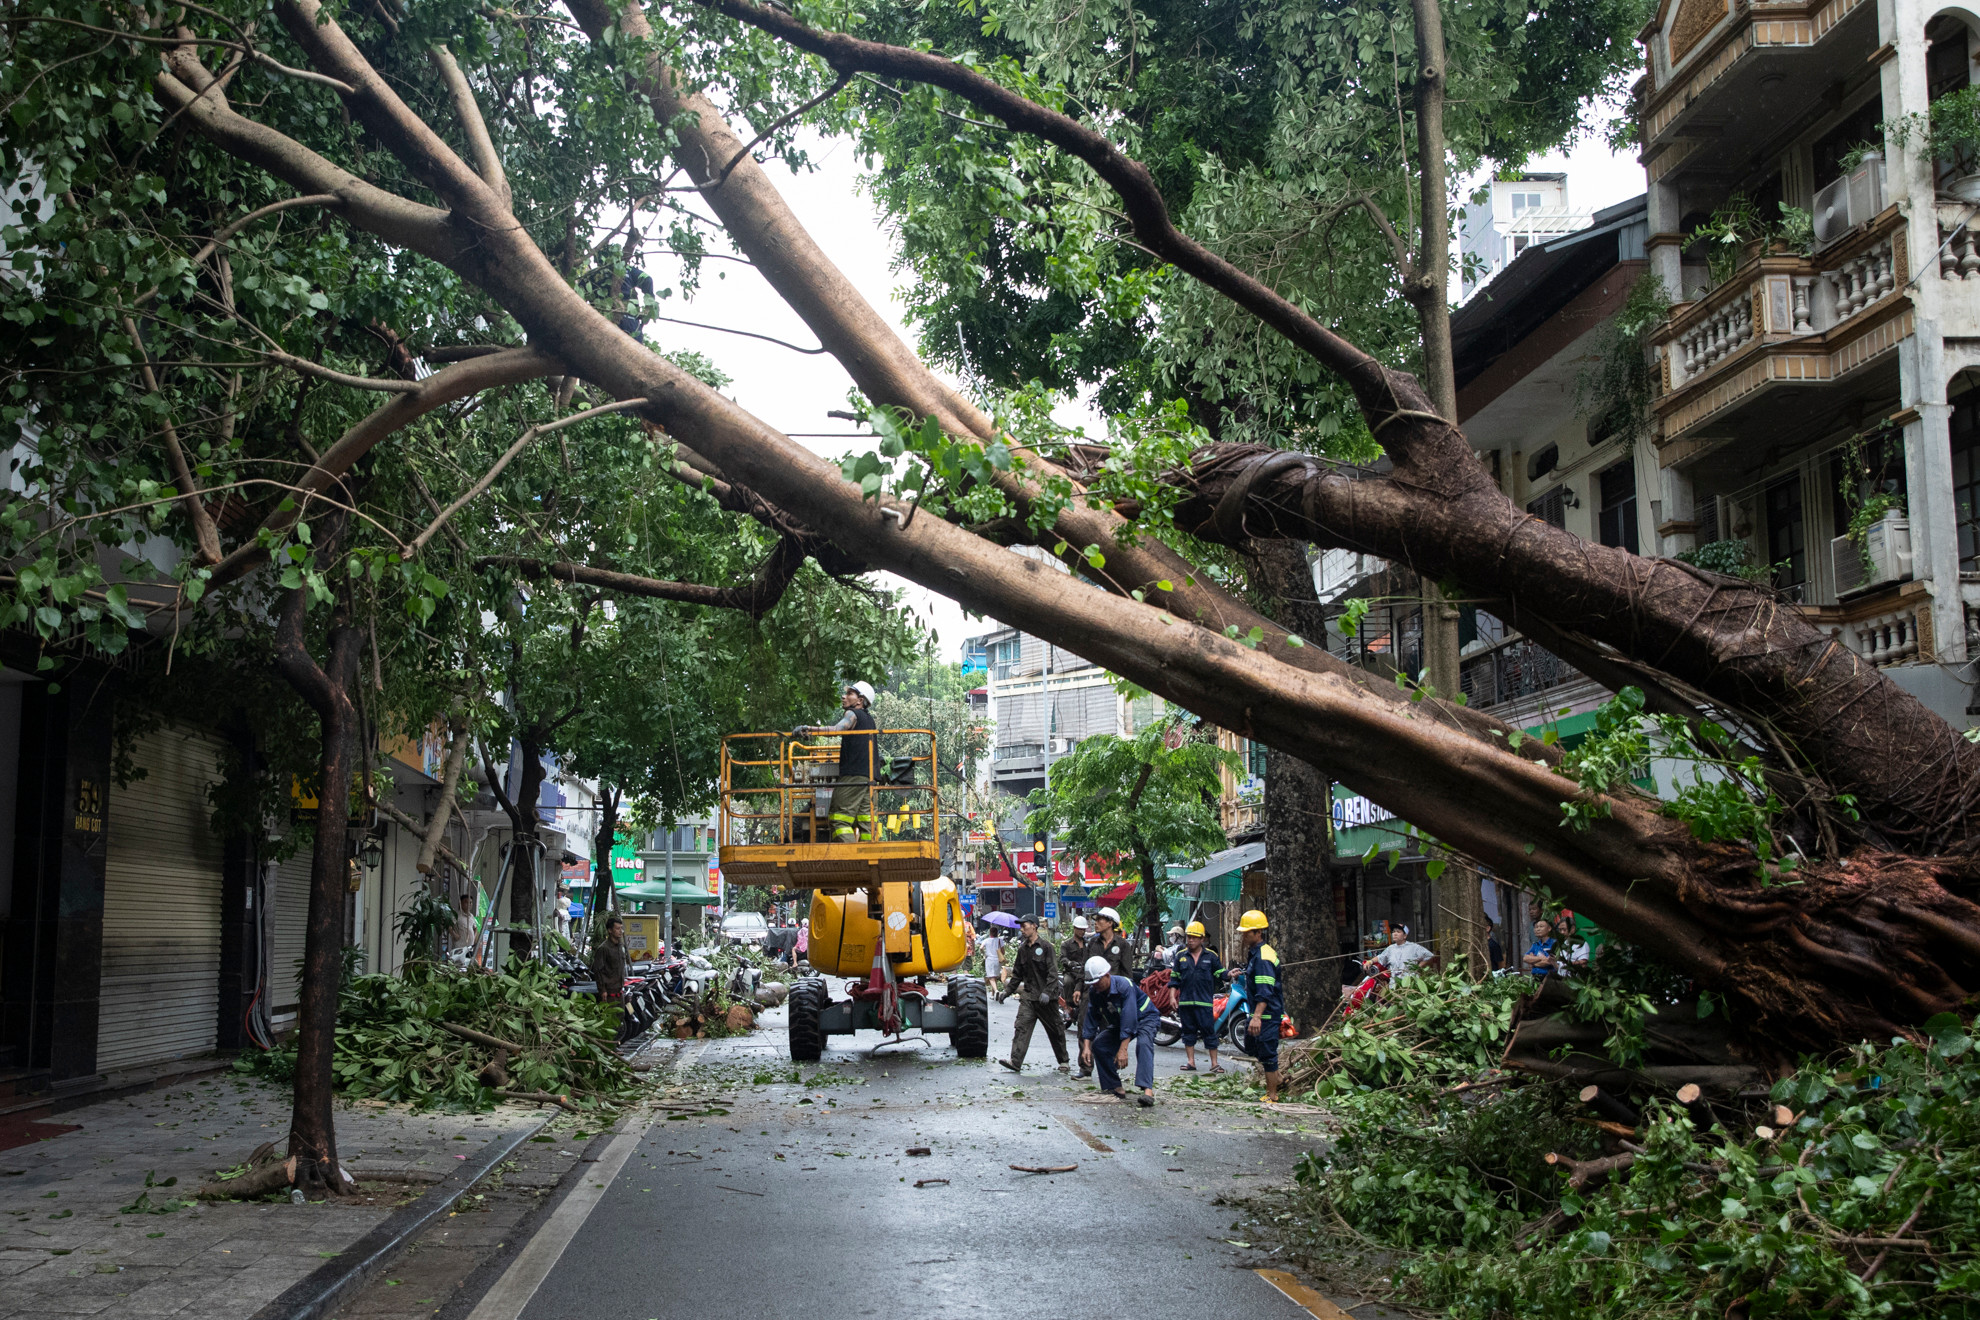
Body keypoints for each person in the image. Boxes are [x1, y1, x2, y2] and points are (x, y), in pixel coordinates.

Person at [798, 681, 879, 842]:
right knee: (867, 823)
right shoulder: (869, 720)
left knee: (838, 819)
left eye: (849, 693)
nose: (844, 696)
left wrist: (809, 729)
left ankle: (851, 858)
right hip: (871, 778)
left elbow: (837, 729)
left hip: (853, 776)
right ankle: (868, 858)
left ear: (860, 701)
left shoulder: (853, 714)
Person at [1080, 955, 1159, 1106]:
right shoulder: (1095, 992)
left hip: (1145, 1018)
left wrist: (1123, 1049)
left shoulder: (1124, 986)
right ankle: (1114, 1086)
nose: (1095, 986)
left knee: (1143, 1044)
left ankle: (1147, 1091)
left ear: (1107, 976)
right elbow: (1091, 1017)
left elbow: (1130, 1018)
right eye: (1092, 983)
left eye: (1097, 982)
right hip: (1120, 1021)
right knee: (1100, 1045)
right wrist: (1086, 1046)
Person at [999, 914, 1069, 1073]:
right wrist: (1007, 992)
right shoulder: (1022, 949)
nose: (1022, 929)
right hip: (1029, 997)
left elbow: (1053, 973)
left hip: (1046, 1000)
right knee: (1021, 1027)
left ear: (1034, 926)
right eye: (1021, 927)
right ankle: (1015, 1061)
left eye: (1025, 926)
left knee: (1056, 1030)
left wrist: (1047, 992)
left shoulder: (1046, 947)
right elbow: (1017, 975)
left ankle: (1063, 1061)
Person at [1236, 909, 1285, 1103]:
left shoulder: (1264, 957)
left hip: (1267, 1014)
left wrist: (1256, 1017)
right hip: (1258, 1012)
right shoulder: (1255, 954)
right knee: (1252, 1047)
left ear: (1258, 933)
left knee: (1268, 1052)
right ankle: (1278, 1078)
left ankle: (1272, 1094)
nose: (1244, 936)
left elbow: (1265, 991)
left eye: (1247, 932)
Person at [1171, 920, 1223, 1074]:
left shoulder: (1211, 956)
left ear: (1202, 939)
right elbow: (1174, 979)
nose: (1190, 940)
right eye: (1189, 937)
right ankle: (1190, 1062)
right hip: (1186, 1003)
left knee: (1209, 1032)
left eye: (1194, 937)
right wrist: (1172, 997)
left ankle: (1214, 1064)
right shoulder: (1180, 956)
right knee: (1188, 1032)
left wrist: (1230, 974)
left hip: (1204, 1003)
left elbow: (1220, 973)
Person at [1061, 915, 1095, 1075]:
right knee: (1068, 982)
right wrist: (1070, 964)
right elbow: (1062, 959)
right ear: (1074, 929)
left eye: (1084, 929)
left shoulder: (1089, 944)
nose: (1081, 932)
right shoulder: (1067, 944)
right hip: (1072, 972)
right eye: (1079, 929)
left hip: (1086, 976)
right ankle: (1068, 1006)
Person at [590, 915, 631, 1040]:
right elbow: (598, 970)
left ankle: (615, 1044)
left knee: (620, 1016)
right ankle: (608, 1046)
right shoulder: (604, 949)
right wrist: (602, 990)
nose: (620, 931)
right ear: (610, 930)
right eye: (617, 928)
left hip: (619, 990)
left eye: (621, 928)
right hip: (609, 992)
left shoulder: (620, 947)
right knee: (609, 1020)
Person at [1362, 924, 1437, 980]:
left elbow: (1429, 956)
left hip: (1410, 983)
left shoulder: (1414, 947)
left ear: (1405, 936)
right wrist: (1370, 961)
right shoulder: (1390, 948)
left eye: (1398, 932)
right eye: (1393, 932)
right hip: (1395, 984)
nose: (1395, 934)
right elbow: (1380, 957)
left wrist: (1418, 967)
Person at [1091, 907, 1131, 977]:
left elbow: (1127, 973)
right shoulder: (1092, 943)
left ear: (1110, 923)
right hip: (1094, 985)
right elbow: (1084, 968)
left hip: (1115, 986)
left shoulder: (1123, 945)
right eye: (1095, 920)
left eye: (1099, 919)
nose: (1095, 923)